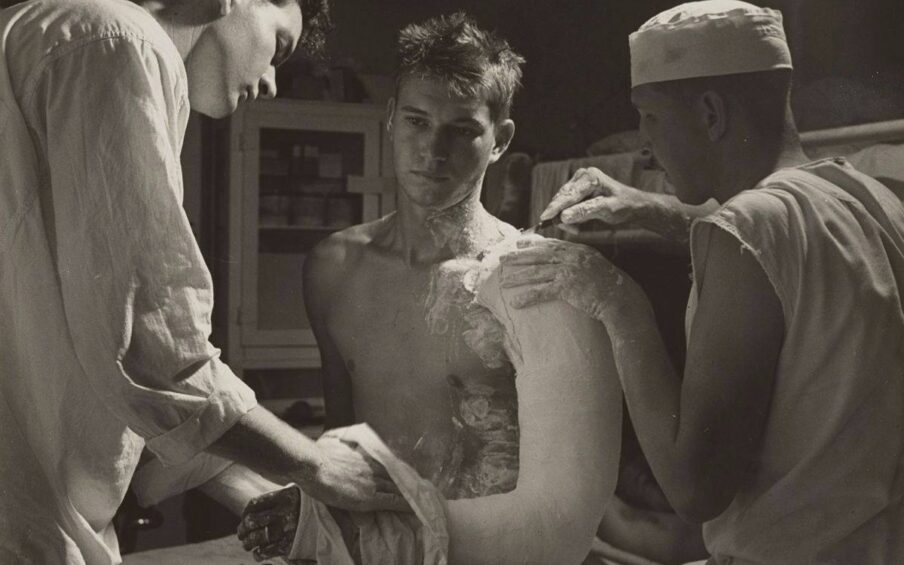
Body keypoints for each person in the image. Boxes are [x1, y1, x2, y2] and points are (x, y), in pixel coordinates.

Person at [0, 0, 406, 563]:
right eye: (279, 48)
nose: (269, 84)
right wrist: (316, 465)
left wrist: (292, 500)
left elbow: (113, 373)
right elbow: (149, 343)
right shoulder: (120, 42)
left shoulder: (65, 28)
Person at [502, 1, 904, 563]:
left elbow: (695, 490)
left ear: (712, 113)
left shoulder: (746, 232)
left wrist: (618, 301)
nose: (644, 147)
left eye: (651, 117)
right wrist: (645, 206)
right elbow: (783, 253)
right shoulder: (868, 200)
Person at [239, 13, 623, 565]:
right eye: (417, 121)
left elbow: (561, 509)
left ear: (500, 140)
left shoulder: (537, 279)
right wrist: (310, 510)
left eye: (461, 130)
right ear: (392, 120)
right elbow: (346, 446)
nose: (433, 150)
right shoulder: (333, 268)